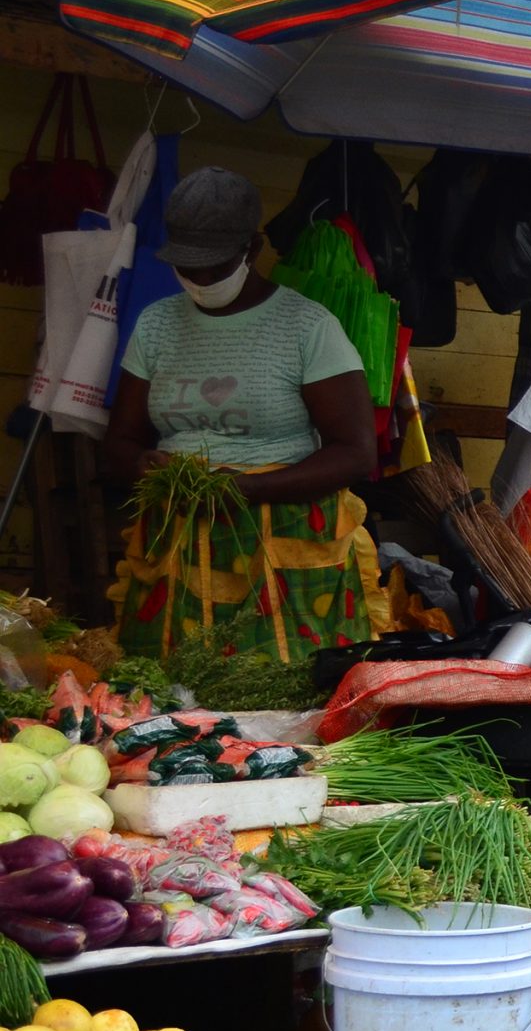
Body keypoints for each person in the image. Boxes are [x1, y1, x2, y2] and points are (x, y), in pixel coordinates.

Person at [102, 166, 386, 662]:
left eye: (215, 267)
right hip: (179, 535)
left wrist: (251, 488)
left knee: (283, 679)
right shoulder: (157, 325)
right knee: (170, 684)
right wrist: (143, 466)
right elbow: (121, 440)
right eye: (188, 269)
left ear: (252, 251)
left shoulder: (307, 328)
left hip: (282, 534)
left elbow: (356, 452)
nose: (201, 280)